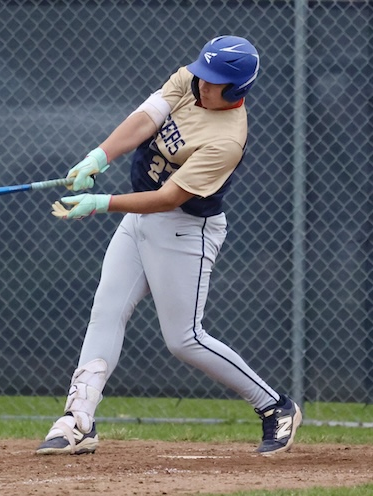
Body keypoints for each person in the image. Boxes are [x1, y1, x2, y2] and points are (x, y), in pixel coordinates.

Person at [36, 35, 302, 456]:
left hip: (184, 230)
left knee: (184, 339)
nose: (203, 84)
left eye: (214, 82)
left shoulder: (227, 139)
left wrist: (102, 203)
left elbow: (169, 198)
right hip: (139, 219)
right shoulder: (191, 79)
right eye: (202, 74)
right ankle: (78, 419)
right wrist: (99, 156)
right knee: (106, 311)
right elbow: (146, 117)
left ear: (237, 90)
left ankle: (275, 406)